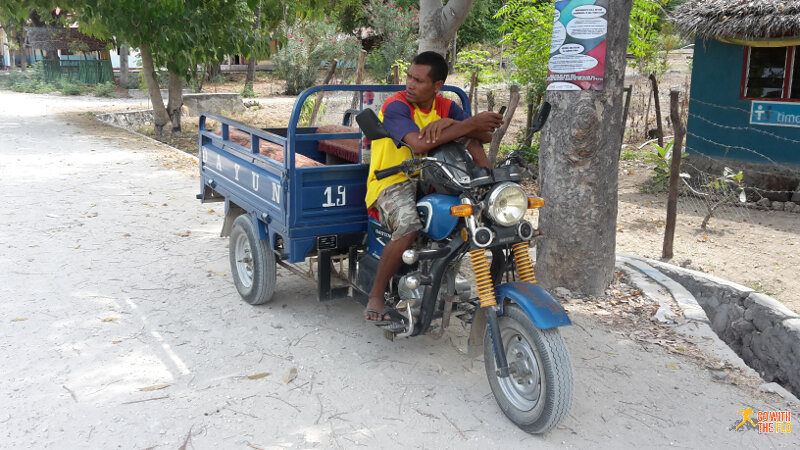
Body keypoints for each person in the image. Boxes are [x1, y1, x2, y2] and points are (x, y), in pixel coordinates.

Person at [364, 51, 504, 322]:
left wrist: (455, 124)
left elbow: (483, 134)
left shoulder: (447, 107)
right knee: (408, 225)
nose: (410, 84)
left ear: (437, 86)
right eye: (409, 77)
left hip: (439, 176)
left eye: (418, 80)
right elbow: (417, 144)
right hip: (393, 181)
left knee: (490, 216)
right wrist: (466, 125)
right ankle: (376, 296)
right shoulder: (396, 106)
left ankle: (457, 280)